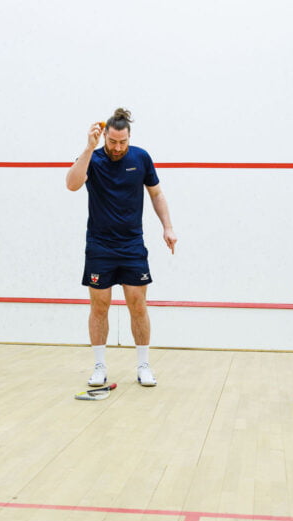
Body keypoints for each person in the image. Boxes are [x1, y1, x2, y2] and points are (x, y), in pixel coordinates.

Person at [65, 108, 177, 387]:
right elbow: (72, 184)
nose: (117, 147)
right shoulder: (93, 158)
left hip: (132, 246)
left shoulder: (141, 157)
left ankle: (143, 366)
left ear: (129, 137)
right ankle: (100, 366)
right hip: (99, 246)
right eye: (112, 141)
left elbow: (156, 194)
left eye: (122, 142)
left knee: (138, 305)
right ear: (104, 135)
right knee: (99, 306)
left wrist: (168, 227)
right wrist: (88, 149)